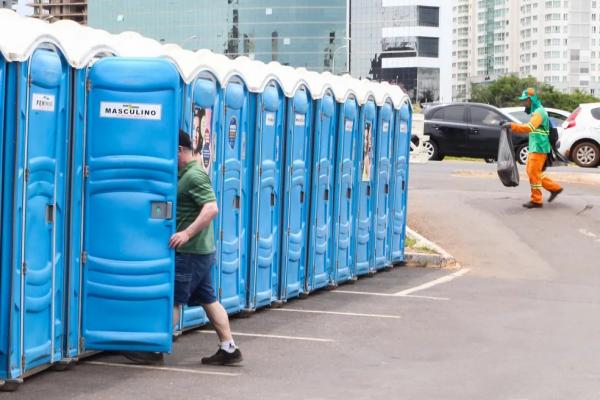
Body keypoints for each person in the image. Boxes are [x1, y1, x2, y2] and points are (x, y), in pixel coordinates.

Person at [123, 130, 242, 366]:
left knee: (174, 300)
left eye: (169, 151)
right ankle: (229, 348)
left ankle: (154, 348)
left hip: (191, 252)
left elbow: (211, 209)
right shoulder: (186, 173)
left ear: (179, 150)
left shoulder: (194, 175)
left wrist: (186, 233)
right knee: (209, 300)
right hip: (202, 251)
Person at [507, 88, 563, 208]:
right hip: (536, 146)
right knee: (532, 172)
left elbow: (529, 127)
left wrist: (511, 126)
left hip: (539, 147)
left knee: (533, 172)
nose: (523, 103)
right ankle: (555, 188)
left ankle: (537, 200)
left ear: (530, 99)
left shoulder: (539, 112)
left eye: (525, 100)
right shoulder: (536, 111)